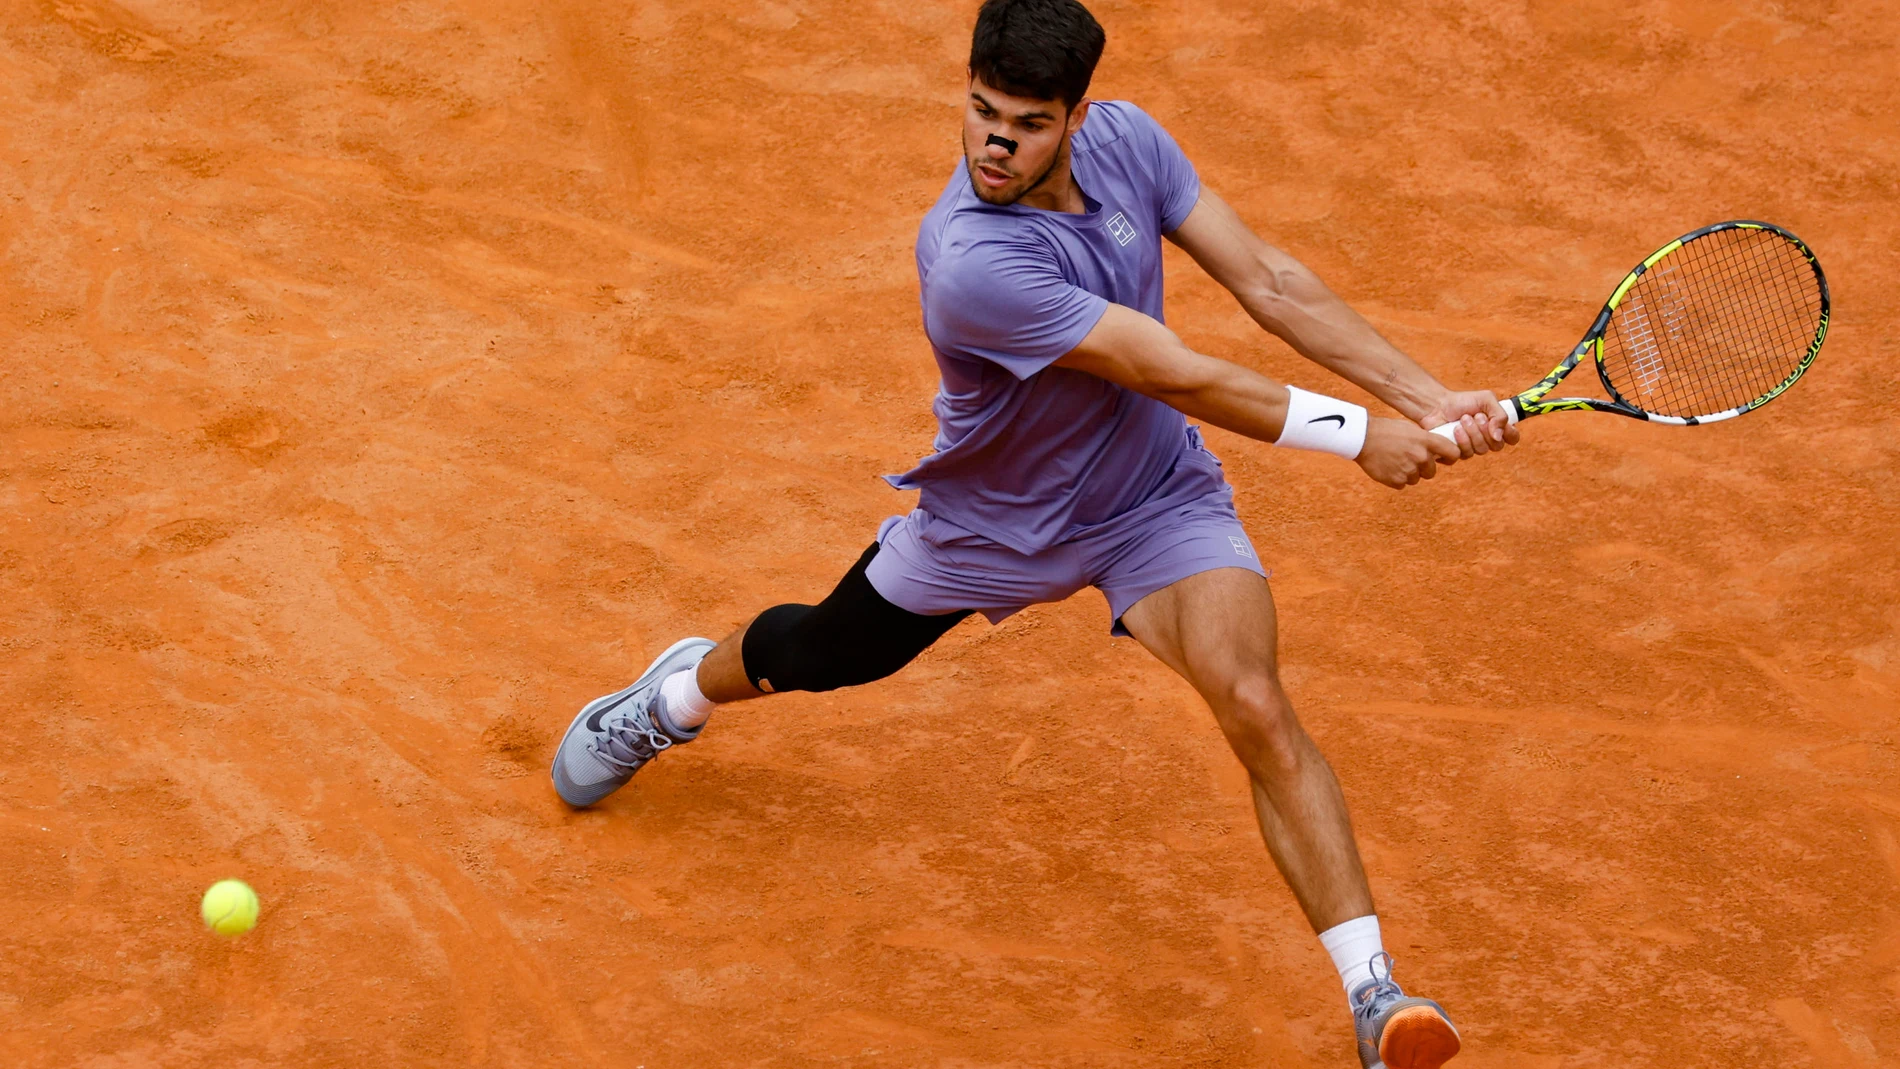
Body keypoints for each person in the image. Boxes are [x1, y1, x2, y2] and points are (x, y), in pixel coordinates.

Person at [551, 1, 1515, 1064]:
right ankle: (674, 696)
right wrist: (1356, 435)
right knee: (818, 655)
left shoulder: (1132, 142)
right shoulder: (970, 261)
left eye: (1026, 121)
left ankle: (1374, 998)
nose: (993, 143)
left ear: (1076, 117)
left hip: (1153, 499)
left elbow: (1268, 280)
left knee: (1251, 697)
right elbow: (1171, 370)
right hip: (992, 525)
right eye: (979, 111)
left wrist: (1425, 399)